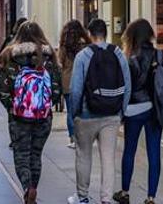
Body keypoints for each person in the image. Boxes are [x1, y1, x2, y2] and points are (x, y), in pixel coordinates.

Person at [0, 21, 62, 204]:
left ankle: (27, 188)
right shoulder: (49, 58)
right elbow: (56, 90)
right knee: (36, 154)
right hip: (43, 116)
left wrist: (13, 107)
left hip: (18, 117)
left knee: (21, 154)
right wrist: (45, 106)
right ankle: (33, 187)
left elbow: (3, 90)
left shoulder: (9, 56)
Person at [68, 19, 131, 204]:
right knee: (108, 159)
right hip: (111, 115)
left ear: (89, 34)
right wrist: (121, 112)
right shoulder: (118, 53)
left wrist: (75, 113)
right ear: (106, 33)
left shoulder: (82, 56)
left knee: (83, 156)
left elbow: (76, 89)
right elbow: (127, 86)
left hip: (86, 115)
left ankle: (83, 197)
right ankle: (105, 199)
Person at [113, 19, 163, 204]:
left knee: (129, 150)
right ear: (150, 36)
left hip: (134, 110)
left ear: (131, 37)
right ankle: (151, 197)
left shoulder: (128, 58)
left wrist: (121, 112)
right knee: (154, 152)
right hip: (155, 109)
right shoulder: (160, 55)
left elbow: (123, 87)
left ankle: (124, 192)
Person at [57, 20, 91, 149]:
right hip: (83, 81)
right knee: (83, 111)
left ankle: (73, 139)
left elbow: (60, 64)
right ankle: (84, 137)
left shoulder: (64, 47)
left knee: (71, 112)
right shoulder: (86, 45)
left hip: (68, 82)